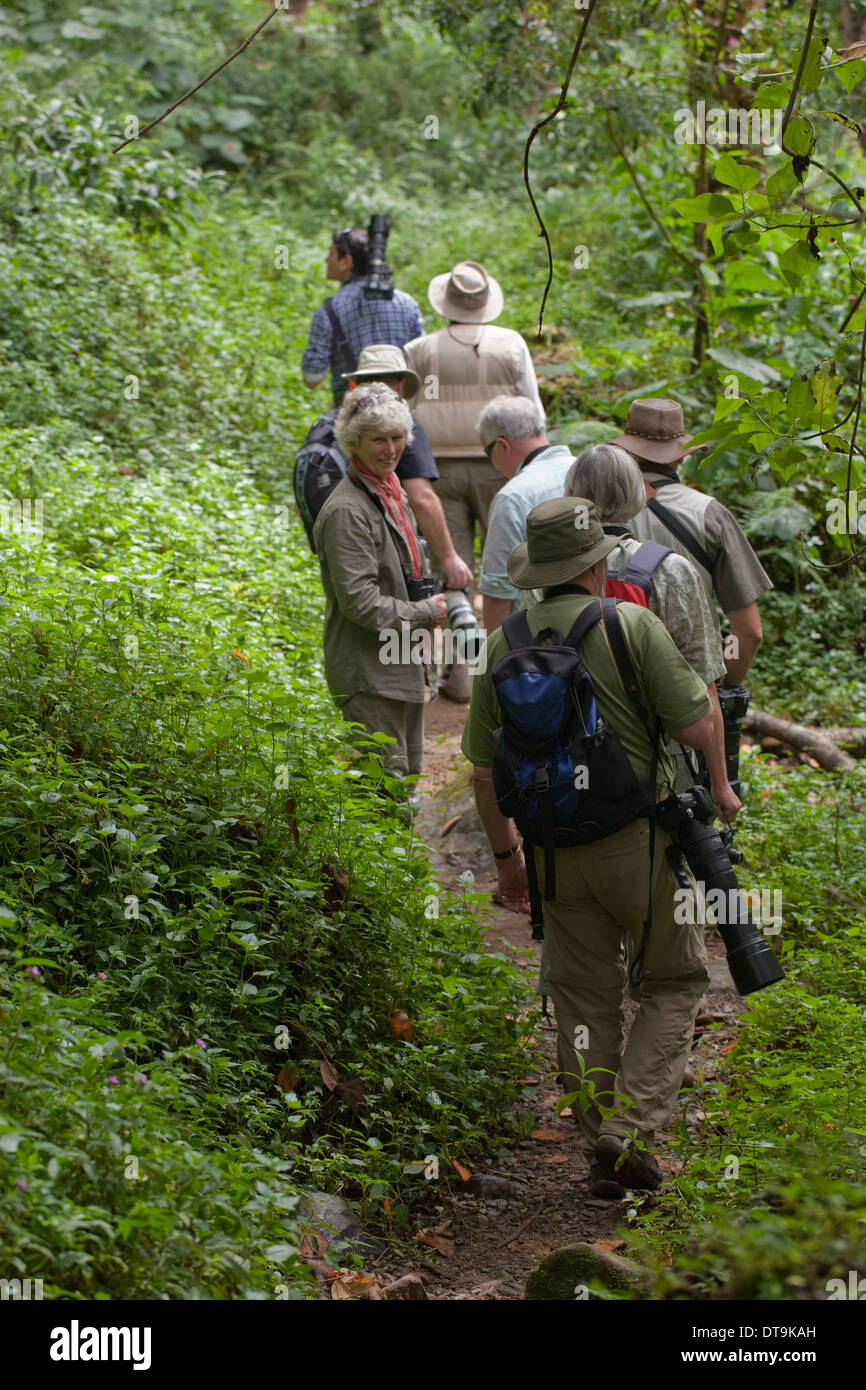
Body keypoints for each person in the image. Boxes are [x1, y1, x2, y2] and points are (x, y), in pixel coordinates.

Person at [461, 497, 722, 1198]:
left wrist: (508, 859)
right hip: (640, 845)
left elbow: (483, 770)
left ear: (539, 573)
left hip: (552, 855)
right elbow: (698, 724)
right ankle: (629, 1131)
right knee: (672, 981)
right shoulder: (629, 623)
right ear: (598, 563)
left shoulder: (503, 641)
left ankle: (598, 1131)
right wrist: (722, 792)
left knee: (583, 999)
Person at [564, 443, 739, 819]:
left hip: (571, 748)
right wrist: (720, 782)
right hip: (661, 755)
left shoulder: (548, 574)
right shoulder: (669, 571)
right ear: (638, 495)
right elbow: (703, 682)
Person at [312, 384, 447, 781]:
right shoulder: (347, 511)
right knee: (386, 788)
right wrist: (426, 612)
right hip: (370, 675)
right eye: (378, 440)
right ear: (354, 442)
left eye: (397, 438)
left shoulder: (389, 490)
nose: (391, 449)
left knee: (405, 779)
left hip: (398, 662)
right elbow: (360, 602)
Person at [613, 398, 772, 684]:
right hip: (693, 689)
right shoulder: (710, 514)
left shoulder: (597, 509)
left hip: (612, 686)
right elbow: (748, 633)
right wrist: (724, 685)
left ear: (626, 449)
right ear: (681, 456)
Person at [405, 261, 544, 580]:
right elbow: (533, 409)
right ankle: (511, 628)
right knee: (514, 559)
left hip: (439, 470)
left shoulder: (421, 349)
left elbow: (409, 411)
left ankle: (460, 626)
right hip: (502, 462)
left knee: (450, 566)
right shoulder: (511, 345)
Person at [341, 345, 472, 592]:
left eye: (395, 441)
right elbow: (421, 498)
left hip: (353, 545)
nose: (390, 448)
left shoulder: (345, 421)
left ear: (355, 385)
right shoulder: (402, 426)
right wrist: (448, 557)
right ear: (401, 384)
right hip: (393, 554)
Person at [477, 395, 576, 635]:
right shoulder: (587, 469)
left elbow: (498, 591)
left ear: (502, 445)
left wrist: (492, 662)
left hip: (539, 638)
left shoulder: (512, 497)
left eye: (488, 452)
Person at [301, 227, 424, 407]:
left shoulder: (329, 310)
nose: (327, 260)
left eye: (331, 254)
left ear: (347, 261)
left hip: (352, 420)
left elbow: (312, 378)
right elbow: (422, 365)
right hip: (400, 418)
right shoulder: (407, 303)